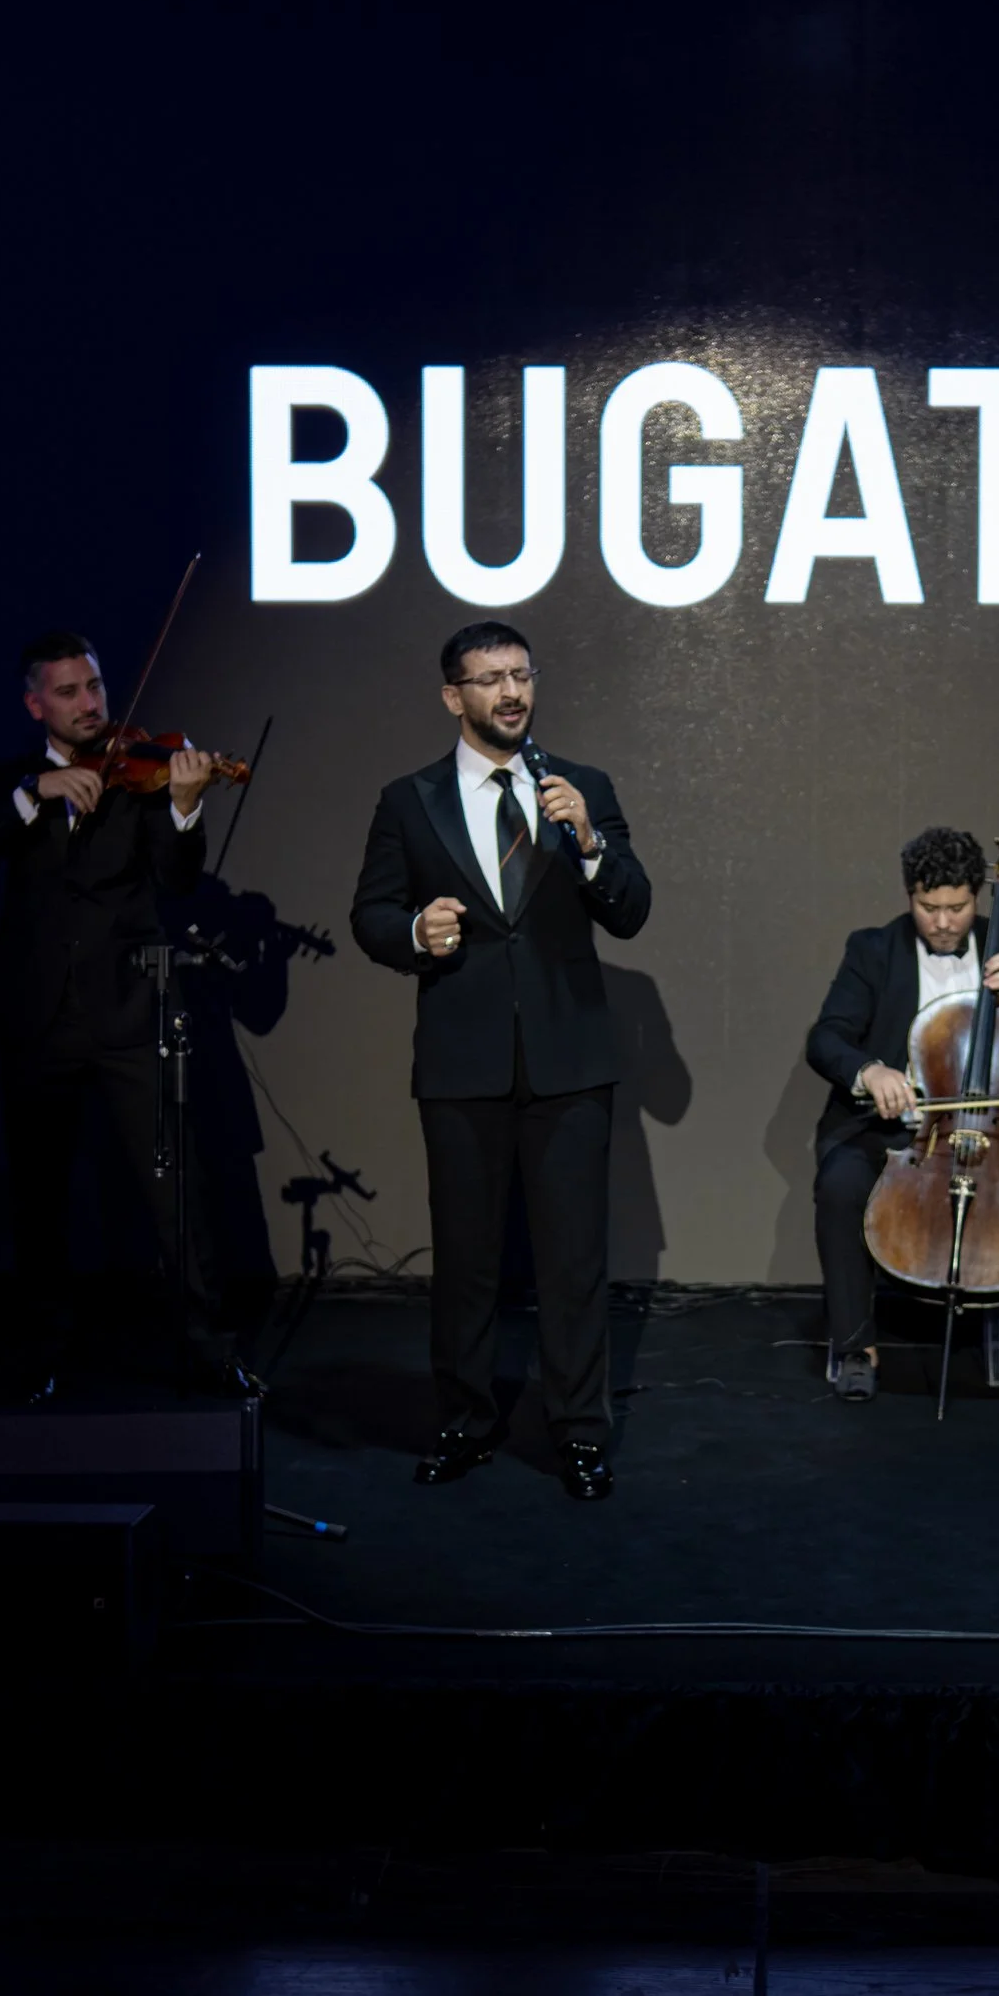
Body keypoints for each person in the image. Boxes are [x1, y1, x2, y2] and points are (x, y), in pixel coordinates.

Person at [350, 622, 652, 1499]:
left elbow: (631, 911)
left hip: (568, 1065)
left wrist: (591, 844)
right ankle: (466, 1422)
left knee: (572, 1264)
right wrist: (415, 931)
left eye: (522, 675)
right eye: (489, 680)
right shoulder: (409, 800)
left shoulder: (580, 788)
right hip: (462, 1065)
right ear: (455, 697)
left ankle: (580, 1434)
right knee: (469, 1261)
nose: (511, 693)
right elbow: (371, 916)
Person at [0, 630, 239, 1392]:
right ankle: (46, 1352)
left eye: (96, 687)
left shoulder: (139, 775)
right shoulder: (10, 781)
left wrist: (181, 807)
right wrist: (31, 797)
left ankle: (209, 1354)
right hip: (35, 1016)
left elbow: (176, 882)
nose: (89, 704)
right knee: (40, 1196)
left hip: (126, 1011)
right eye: (69, 692)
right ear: (35, 703)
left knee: (176, 1188)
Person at [805, 825, 999, 1400]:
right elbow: (827, 1037)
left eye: (957, 908)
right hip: (896, 1132)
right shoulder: (871, 949)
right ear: (909, 896)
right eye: (928, 907)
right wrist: (870, 1071)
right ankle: (856, 1349)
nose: (943, 923)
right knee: (841, 1185)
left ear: (977, 895)